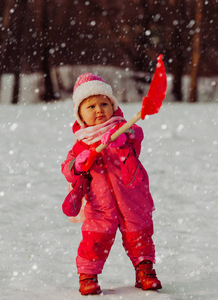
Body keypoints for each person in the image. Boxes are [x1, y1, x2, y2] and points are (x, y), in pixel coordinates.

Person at [61, 73, 162, 295]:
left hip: (132, 196)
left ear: (113, 106)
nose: (99, 110)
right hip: (100, 203)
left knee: (139, 233)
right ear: (81, 115)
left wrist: (122, 140)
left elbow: (137, 136)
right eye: (91, 106)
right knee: (95, 238)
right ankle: (88, 275)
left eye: (104, 104)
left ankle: (145, 270)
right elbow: (67, 169)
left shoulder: (124, 129)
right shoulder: (82, 143)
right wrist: (78, 164)